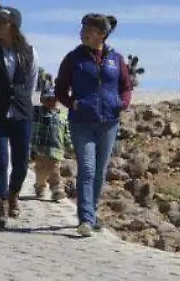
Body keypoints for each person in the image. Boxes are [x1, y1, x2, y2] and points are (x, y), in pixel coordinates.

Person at [55, 13, 132, 237]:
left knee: (99, 171)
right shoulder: (73, 59)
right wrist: (74, 104)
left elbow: (126, 85)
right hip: (82, 122)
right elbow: (60, 89)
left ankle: (93, 213)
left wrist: (123, 103)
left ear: (101, 34)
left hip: (109, 121)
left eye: (88, 30)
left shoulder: (115, 59)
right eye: (82, 29)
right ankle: (85, 219)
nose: (82, 33)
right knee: (87, 169)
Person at [0, 5, 38, 229]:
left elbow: (31, 81)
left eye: (1, 22)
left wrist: (20, 100)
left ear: (13, 25)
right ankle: (0, 203)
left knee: (21, 160)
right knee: (0, 157)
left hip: (21, 112)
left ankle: (14, 194)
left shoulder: (29, 52)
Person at [30, 86, 72, 202]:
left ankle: (57, 190)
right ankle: (40, 186)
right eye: (48, 99)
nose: (51, 102)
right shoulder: (36, 112)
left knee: (54, 171)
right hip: (39, 149)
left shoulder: (62, 116)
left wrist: (71, 149)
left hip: (56, 150)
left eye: (54, 100)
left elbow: (66, 134)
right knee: (41, 171)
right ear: (42, 100)